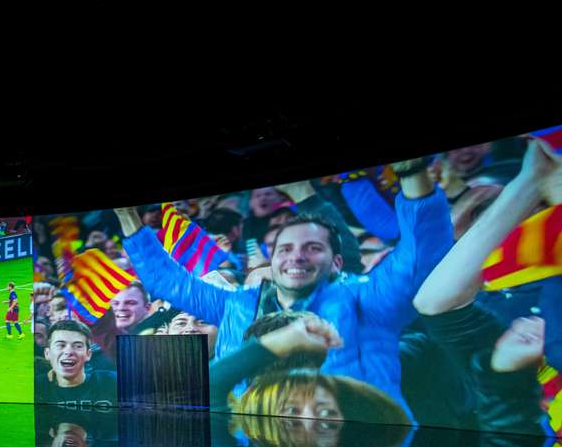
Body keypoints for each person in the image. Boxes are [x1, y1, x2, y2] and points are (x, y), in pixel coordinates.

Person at [115, 156, 454, 416]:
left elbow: (420, 257)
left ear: (337, 263)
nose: (297, 256)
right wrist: (127, 216)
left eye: (313, 248)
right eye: (285, 249)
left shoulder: (365, 301)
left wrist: (412, 174)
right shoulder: (236, 305)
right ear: (272, 259)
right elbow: (167, 280)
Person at [42, 320, 118, 407]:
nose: (69, 352)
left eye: (77, 346)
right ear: (47, 353)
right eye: (61, 345)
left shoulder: (112, 382)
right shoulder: (36, 388)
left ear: (88, 354)